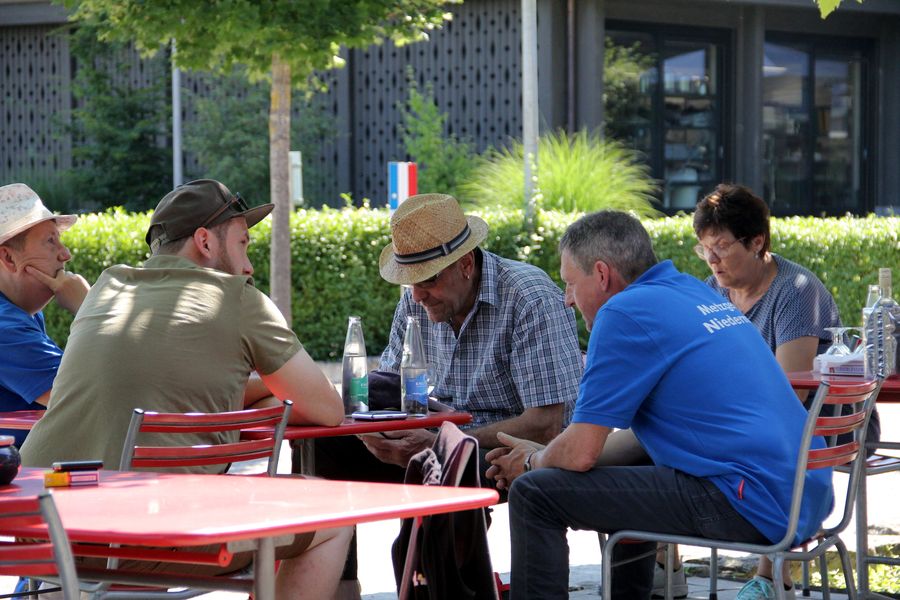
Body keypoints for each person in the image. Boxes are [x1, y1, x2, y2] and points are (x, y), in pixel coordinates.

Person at [20, 179, 352, 600]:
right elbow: (328, 410)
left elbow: (165, 382)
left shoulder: (107, 285)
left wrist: (237, 392)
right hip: (135, 541)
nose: (249, 265)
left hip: (36, 534)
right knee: (336, 517)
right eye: (243, 244)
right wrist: (263, 393)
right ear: (204, 242)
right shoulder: (236, 298)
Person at [485, 210, 834, 600]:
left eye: (569, 283)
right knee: (628, 465)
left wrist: (533, 463)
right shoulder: (691, 290)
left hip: (749, 502)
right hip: (803, 493)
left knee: (536, 493)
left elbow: (582, 453)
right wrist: (551, 453)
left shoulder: (621, 313)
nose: (567, 300)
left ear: (601, 275)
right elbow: (635, 442)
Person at [312, 192, 583, 594]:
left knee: (441, 469)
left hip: (512, 444)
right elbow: (389, 381)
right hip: (438, 432)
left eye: (429, 281)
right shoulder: (414, 299)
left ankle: (438, 589)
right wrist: (371, 426)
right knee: (327, 448)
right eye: (411, 282)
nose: (418, 296)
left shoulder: (527, 296)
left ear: (466, 265)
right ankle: (338, 588)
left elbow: (547, 424)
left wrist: (444, 442)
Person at [692, 183, 880, 599]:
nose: (712, 259)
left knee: (766, 439)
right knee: (664, 430)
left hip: (822, 425)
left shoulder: (795, 291)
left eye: (721, 246)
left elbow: (788, 395)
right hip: (744, 419)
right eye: (704, 248)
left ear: (757, 241)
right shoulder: (710, 292)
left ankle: (772, 576)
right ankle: (655, 554)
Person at [0, 183, 90, 448]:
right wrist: (88, 309)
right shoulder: (5, 327)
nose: (66, 254)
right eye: (51, 241)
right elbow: (88, 398)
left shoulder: (21, 314)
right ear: (8, 258)